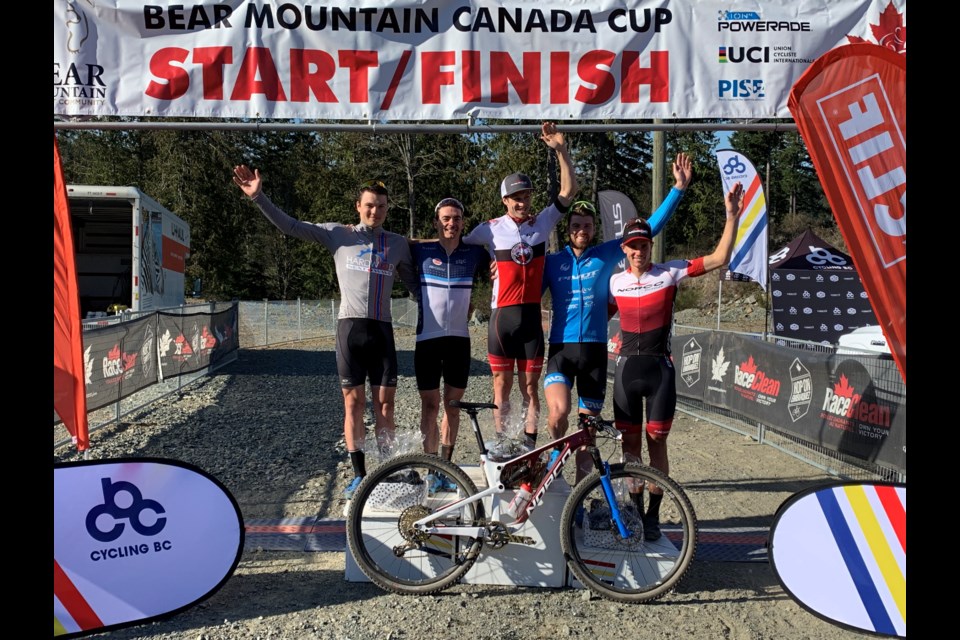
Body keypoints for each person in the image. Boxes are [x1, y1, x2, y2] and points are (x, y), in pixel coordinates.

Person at [232, 167, 420, 500]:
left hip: (382, 331)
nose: (374, 211)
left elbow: (417, 287)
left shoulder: (398, 244)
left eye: (381, 206)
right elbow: (291, 227)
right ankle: (360, 475)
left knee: (386, 407)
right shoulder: (338, 234)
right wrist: (259, 197)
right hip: (350, 329)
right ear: (357, 206)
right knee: (353, 405)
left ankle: (387, 470)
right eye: (369, 205)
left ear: (387, 209)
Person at [542, 153, 693, 481]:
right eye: (576, 225)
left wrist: (678, 190)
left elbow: (650, 227)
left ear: (594, 229)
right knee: (558, 415)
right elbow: (526, 292)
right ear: (568, 229)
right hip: (560, 350)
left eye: (587, 225)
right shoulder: (552, 262)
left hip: (595, 353)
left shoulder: (607, 253)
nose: (581, 230)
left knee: (588, 435)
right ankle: (554, 465)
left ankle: (579, 502)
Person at [607, 181, 745, 540]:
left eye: (644, 245)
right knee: (630, 449)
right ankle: (635, 514)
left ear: (650, 245)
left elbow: (719, 259)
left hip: (659, 372)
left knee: (658, 446)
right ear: (625, 248)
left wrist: (731, 217)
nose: (639, 251)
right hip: (625, 372)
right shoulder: (614, 282)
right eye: (633, 246)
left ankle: (653, 516)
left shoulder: (669, 272)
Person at [462, 122, 578, 455]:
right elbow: (458, 246)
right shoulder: (490, 229)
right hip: (502, 319)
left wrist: (561, 151)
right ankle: (501, 445)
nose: (521, 202)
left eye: (525, 196)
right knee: (502, 385)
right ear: (505, 200)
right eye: (515, 197)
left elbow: (568, 192)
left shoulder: (541, 223)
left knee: (530, 387)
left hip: (530, 319)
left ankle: (528, 447)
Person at [411, 197, 490, 493]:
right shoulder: (421, 250)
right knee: (429, 406)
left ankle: (446, 465)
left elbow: (502, 257)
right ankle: (430, 467)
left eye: (456, 218)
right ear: (436, 221)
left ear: (462, 222)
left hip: (459, 340)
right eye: (446, 218)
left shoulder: (473, 253)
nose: (451, 223)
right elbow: (398, 242)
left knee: (453, 407)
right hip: (427, 339)